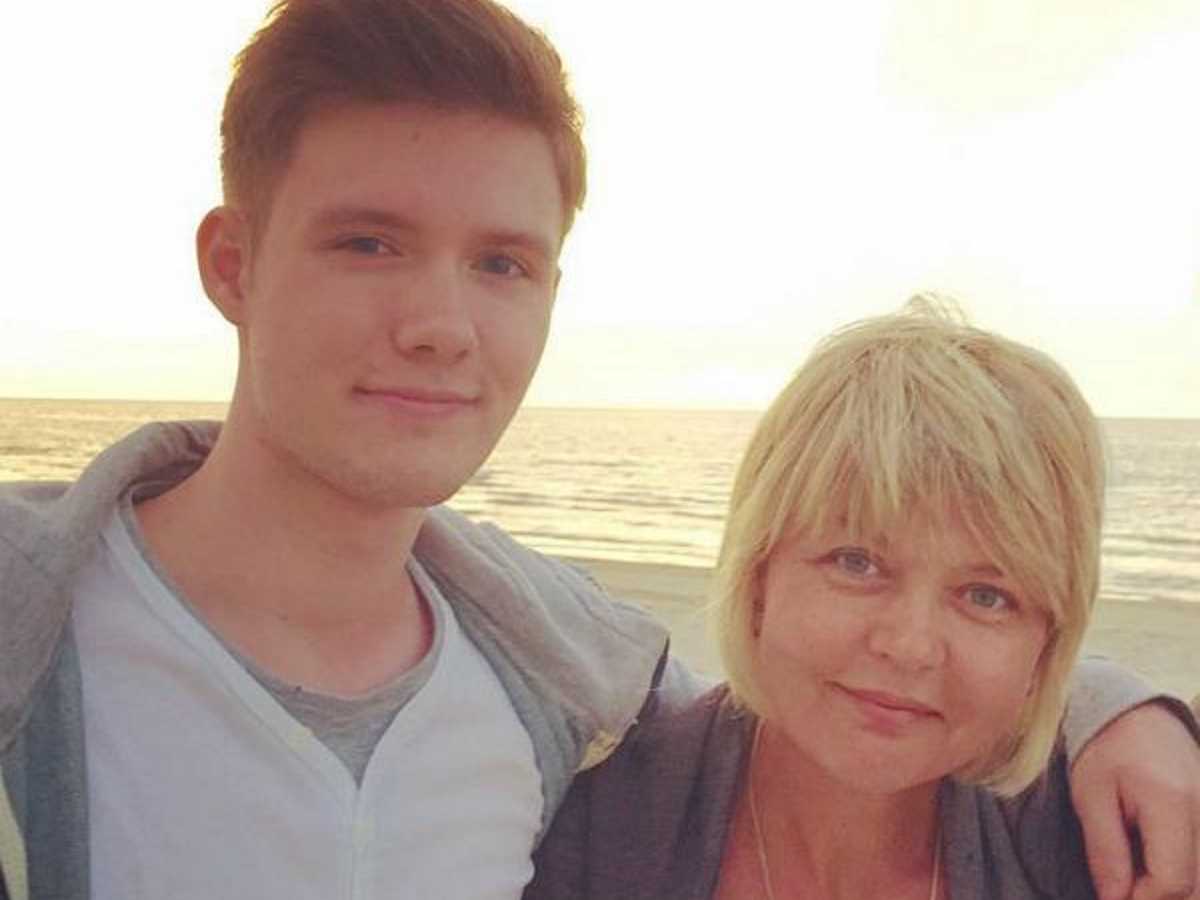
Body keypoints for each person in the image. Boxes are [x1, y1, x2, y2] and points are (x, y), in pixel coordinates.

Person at [0, 3, 1196, 898]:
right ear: (233, 264)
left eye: (501, 262)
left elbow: (859, 688)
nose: (441, 324)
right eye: (368, 243)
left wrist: (1114, 707)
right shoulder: (37, 631)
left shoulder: (557, 673)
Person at [526, 301, 1200, 900]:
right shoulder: (584, 825)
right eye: (857, 563)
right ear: (758, 574)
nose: (909, 646)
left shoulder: (1108, 852)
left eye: (987, 596)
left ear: (1045, 645)